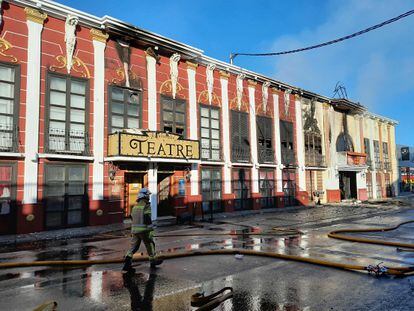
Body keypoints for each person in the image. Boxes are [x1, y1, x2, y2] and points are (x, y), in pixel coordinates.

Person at [122, 187, 163, 273]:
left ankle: (126, 265)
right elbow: (147, 218)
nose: (149, 197)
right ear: (144, 196)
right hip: (144, 230)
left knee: (133, 248)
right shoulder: (146, 205)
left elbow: (132, 217)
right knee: (150, 244)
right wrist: (151, 230)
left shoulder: (135, 206)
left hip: (135, 230)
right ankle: (153, 261)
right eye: (148, 195)